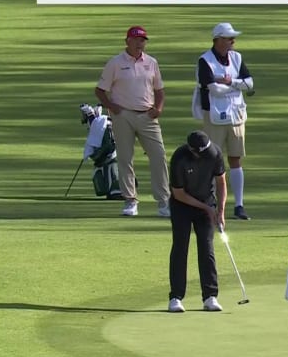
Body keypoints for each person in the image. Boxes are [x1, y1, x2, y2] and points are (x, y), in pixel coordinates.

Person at [95, 26, 171, 217]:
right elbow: (100, 90)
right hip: (123, 115)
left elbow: (159, 90)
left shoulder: (152, 62)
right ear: (127, 41)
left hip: (147, 115)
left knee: (159, 155)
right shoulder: (116, 63)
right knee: (125, 157)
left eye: (143, 40)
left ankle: (163, 202)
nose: (140, 43)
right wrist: (112, 107)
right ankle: (130, 200)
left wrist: (158, 108)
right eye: (137, 40)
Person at [193, 22, 254, 221]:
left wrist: (229, 82)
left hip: (236, 114)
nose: (232, 41)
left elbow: (250, 83)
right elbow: (213, 89)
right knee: (211, 159)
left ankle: (239, 205)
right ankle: (209, 203)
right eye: (229, 38)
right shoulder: (205, 60)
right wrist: (237, 86)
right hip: (214, 115)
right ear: (218, 39)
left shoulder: (236, 57)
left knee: (235, 159)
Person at [167, 130, 227, 313]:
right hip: (182, 206)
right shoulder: (179, 158)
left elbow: (221, 182)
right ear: (191, 149)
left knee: (207, 247)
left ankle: (210, 296)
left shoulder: (214, 153)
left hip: (206, 203)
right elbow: (178, 193)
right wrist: (207, 208)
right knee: (180, 247)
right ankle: (176, 297)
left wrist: (221, 211)